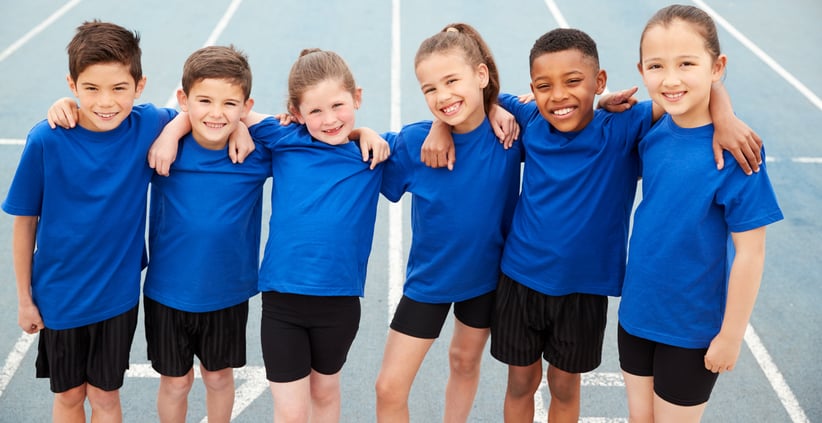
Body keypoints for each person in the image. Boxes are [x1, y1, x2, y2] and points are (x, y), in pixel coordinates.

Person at [423, 27, 762, 423]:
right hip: (520, 279)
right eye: (544, 85)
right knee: (520, 384)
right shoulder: (529, 115)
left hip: (584, 291)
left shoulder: (622, 126)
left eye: (573, 82)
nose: (559, 96)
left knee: (565, 387)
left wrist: (725, 114)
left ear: (600, 82)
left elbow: (694, 89)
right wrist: (440, 125)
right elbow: (467, 97)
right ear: (532, 88)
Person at [2, 20, 184, 422]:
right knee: (68, 397)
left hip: (116, 297)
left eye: (119, 88)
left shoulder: (148, 124)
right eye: (91, 89)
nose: (106, 102)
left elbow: (201, 110)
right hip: (59, 295)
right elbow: (24, 224)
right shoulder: (46, 139)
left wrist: (176, 132)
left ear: (140, 85)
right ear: (72, 85)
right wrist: (24, 299)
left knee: (104, 397)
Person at [617, 5, 783, 422]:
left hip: (691, 327)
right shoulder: (651, 130)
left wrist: (731, 335)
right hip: (636, 314)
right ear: (641, 70)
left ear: (717, 66)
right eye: (656, 66)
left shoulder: (737, 150)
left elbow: (751, 253)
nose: (670, 79)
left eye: (686, 63)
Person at [373, 23, 523, 423]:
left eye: (451, 80)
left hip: (486, 280)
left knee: (463, 361)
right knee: (388, 386)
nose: (442, 96)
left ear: (480, 75)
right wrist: (362, 130)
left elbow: (557, 107)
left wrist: (494, 105)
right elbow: (359, 154)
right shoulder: (414, 144)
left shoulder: (510, 134)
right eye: (429, 89)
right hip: (430, 281)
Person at [240, 48, 390, 423]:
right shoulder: (283, 138)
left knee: (325, 391)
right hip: (282, 302)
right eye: (315, 112)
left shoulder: (373, 154)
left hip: (338, 303)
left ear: (357, 97)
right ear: (296, 113)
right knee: (290, 413)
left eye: (338, 105)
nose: (329, 120)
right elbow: (230, 108)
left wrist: (363, 131)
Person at [140, 45, 269, 423]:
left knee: (217, 377)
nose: (216, 112)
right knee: (176, 382)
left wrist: (244, 125)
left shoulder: (256, 152)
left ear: (246, 105)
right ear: (183, 100)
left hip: (226, 293)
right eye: (204, 101)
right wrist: (172, 129)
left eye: (230, 103)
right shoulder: (162, 141)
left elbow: (304, 128)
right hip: (167, 292)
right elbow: (115, 114)